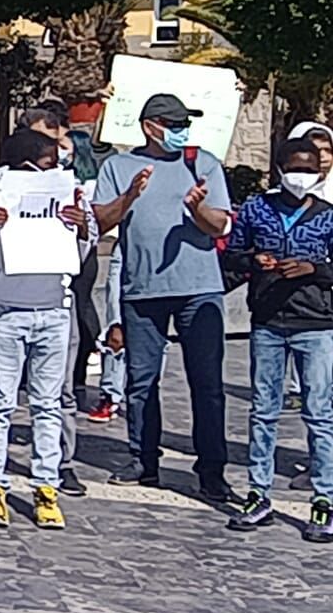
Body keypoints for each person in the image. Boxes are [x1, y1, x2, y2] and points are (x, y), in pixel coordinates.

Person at [93, 93, 234, 501]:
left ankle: (211, 469)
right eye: (172, 124)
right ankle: (143, 460)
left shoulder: (202, 163)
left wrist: (198, 209)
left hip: (199, 290)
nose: (180, 131)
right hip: (143, 291)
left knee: (206, 383)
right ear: (150, 126)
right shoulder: (118, 166)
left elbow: (219, 225)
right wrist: (130, 197)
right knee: (141, 380)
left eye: (183, 124)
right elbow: (101, 221)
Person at [0, 129, 96, 529]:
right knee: (0, 404)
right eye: (47, 163)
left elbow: (81, 253)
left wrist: (83, 228)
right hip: (7, 312)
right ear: (22, 164)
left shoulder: (70, 195)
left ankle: (45, 487)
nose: (56, 170)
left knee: (47, 405)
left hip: (54, 310)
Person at [223, 138, 333, 540]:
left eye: (310, 168)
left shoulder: (328, 216)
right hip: (268, 321)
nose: (301, 175)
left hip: (316, 324)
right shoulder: (256, 209)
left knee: (319, 414)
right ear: (280, 170)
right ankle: (258, 493)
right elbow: (232, 256)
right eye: (294, 168)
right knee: (263, 411)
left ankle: (324, 499)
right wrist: (255, 260)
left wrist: (313, 270)